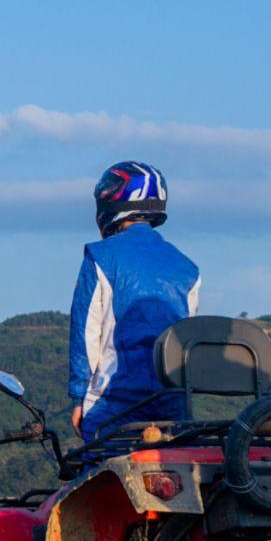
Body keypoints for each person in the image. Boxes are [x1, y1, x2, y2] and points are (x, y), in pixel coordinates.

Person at [67, 160, 202, 440]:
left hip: (116, 399)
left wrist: (79, 395)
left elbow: (86, 333)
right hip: (173, 402)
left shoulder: (101, 256)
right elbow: (187, 337)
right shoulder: (187, 267)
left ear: (111, 204)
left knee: (98, 475)